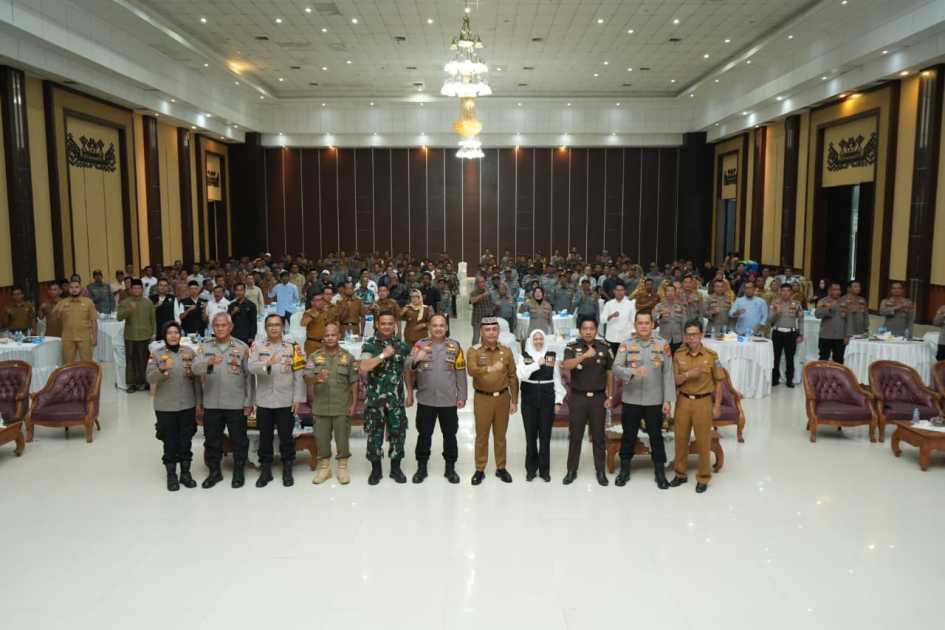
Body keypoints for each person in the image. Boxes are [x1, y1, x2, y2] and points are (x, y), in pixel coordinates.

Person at [612, 311, 675, 489]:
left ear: (653, 324)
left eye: (647, 323)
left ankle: (660, 473)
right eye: (640, 323)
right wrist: (632, 372)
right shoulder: (626, 344)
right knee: (628, 435)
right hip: (631, 399)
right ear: (635, 325)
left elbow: (668, 373)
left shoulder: (662, 345)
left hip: (654, 400)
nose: (644, 326)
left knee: (656, 436)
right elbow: (616, 368)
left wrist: (667, 400)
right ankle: (624, 470)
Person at [192, 312, 254, 489]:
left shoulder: (242, 347)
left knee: (239, 440)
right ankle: (214, 472)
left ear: (231, 327)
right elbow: (195, 370)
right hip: (212, 402)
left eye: (223, 325)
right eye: (217, 325)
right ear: (212, 327)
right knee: (212, 441)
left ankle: (238, 471)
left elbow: (249, 377)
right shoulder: (204, 347)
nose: (220, 328)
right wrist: (208, 362)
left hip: (236, 403)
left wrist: (249, 402)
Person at [404, 314, 467, 484]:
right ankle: (421, 467)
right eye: (435, 325)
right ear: (429, 327)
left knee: (450, 435)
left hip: (448, 400)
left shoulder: (455, 346)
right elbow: (407, 365)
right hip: (426, 400)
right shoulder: (420, 344)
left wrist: (462, 396)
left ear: (446, 327)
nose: (438, 328)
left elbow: (460, 372)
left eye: (441, 325)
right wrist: (416, 359)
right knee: (424, 435)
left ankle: (450, 468)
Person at [248, 314, 305, 488]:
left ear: (282, 327)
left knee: (286, 437)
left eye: (277, 325)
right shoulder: (257, 346)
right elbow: (251, 367)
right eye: (270, 325)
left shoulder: (293, 347)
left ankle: (287, 468)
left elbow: (299, 375)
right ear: (265, 328)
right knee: (265, 438)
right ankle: (266, 470)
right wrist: (267, 364)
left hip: (286, 400)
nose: (274, 328)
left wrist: (297, 399)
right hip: (264, 401)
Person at [146, 321, 201, 491]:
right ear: (164, 336)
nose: (173, 336)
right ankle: (171, 475)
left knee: (186, 440)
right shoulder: (156, 354)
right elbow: (149, 378)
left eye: (176, 332)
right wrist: (162, 369)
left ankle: (185, 473)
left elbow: (197, 379)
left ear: (180, 335)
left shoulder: (189, 352)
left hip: (187, 404)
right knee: (169, 441)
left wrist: (199, 402)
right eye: (169, 333)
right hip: (165, 406)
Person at [670, 320, 723, 494]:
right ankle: (680, 474)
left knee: (703, 441)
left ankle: (703, 477)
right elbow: (674, 381)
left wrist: (716, 406)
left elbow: (719, 382)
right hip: (683, 401)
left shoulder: (711, 355)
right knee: (680, 439)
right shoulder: (678, 354)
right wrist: (687, 375)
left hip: (703, 402)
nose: (691, 338)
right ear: (684, 336)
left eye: (695, 334)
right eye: (688, 335)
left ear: (701, 335)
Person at [359, 311, 412, 485]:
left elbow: (407, 369)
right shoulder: (369, 345)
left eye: (390, 323)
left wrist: (410, 392)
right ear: (377, 325)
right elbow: (364, 367)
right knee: (374, 433)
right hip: (375, 400)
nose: (387, 326)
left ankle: (396, 468)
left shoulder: (402, 345)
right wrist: (383, 355)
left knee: (398, 432)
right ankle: (376, 470)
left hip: (396, 399)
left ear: (394, 325)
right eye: (383, 323)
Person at [561, 317, 614, 486]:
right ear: (580, 330)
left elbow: (610, 373)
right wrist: (584, 356)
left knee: (598, 436)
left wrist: (610, 396)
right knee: (575, 436)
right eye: (585, 328)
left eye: (591, 328)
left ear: (596, 330)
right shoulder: (572, 347)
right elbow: (566, 365)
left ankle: (600, 471)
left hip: (598, 398)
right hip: (578, 398)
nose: (588, 331)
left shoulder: (604, 347)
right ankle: (571, 470)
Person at [304, 322, 359, 485]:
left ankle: (342, 467)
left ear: (339, 336)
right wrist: (316, 378)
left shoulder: (348, 357)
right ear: (323, 338)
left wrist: (354, 404)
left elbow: (354, 382)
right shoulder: (314, 357)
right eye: (327, 335)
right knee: (321, 439)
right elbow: (306, 378)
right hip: (321, 406)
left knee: (342, 438)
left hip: (342, 405)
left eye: (333, 335)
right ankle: (325, 468)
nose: (330, 338)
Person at [466, 317, 518, 485]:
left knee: (500, 436)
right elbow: (471, 370)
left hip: (503, 398)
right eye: (487, 330)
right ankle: (480, 469)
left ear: (498, 331)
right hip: (482, 398)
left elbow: (512, 376)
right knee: (481, 436)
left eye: (494, 329)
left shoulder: (506, 351)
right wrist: (489, 368)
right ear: (481, 332)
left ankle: (501, 467)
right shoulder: (474, 351)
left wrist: (514, 400)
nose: (491, 333)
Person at [516, 329, 564, 482]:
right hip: (529, 399)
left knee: (545, 436)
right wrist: (537, 364)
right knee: (530, 436)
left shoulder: (551, 356)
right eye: (535, 339)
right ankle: (531, 469)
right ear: (531, 340)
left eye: (541, 339)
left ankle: (544, 470)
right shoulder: (524, 356)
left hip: (547, 398)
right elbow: (522, 374)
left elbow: (557, 379)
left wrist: (558, 400)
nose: (538, 341)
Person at [117, 279, 156, 392]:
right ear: (131, 290)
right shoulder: (125, 302)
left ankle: (145, 382)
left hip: (145, 336)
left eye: (139, 288)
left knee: (145, 360)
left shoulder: (148, 302)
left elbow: (153, 320)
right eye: (134, 288)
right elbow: (119, 317)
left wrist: (154, 334)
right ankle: (131, 384)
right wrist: (128, 310)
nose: (137, 290)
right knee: (131, 361)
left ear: (142, 290)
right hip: (130, 336)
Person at [767, 283, 803, 387]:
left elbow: (801, 320)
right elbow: (770, 319)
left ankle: (789, 380)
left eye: (788, 291)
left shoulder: (797, 304)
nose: (785, 293)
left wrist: (801, 334)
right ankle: (774, 379)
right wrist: (776, 312)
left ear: (791, 292)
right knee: (775, 357)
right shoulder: (775, 303)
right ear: (780, 292)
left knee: (790, 358)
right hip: (777, 333)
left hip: (791, 334)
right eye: (783, 290)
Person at [57, 279, 98, 363]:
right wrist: (60, 311)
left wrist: (94, 337)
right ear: (68, 289)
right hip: (68, 337)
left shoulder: (88, 302)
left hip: (84, 337)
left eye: (76, 287)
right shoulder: (62, 302)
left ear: (81, 288)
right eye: (71, 287)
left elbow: (93, 321)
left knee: (87, 363)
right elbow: (57, 318)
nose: (74, 289)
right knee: (67, 364)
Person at [600, 282, 635, 356]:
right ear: (614, 291)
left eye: (621, 290)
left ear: (625, 291)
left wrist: (633, 333)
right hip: (611, 337)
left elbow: (634, 320)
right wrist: (611, 316)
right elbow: (602, 320)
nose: (619, 292)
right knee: (611, 359)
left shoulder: (630, 304)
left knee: (624, 359)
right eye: (617, 290)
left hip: (625, 338)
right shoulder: (609, 304)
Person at [815, 282, 846, 363]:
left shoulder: (844, 302)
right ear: (829, 291)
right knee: (823, 359)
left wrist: (847, 335)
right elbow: (817, 314)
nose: (837, 292)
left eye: (839, 290)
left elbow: (849, 320)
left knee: (839, 360)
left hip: (840, 336)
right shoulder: (822, 301)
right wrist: (829, 308)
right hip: (826, 335)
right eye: (835, 290)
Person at [654, 284, 686, 355]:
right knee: (664, 359)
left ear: (675, 293)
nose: (670, 293)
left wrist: (684, 340)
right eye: (668, 291)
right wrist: (661, 315)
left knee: (676, 359)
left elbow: (684, 324)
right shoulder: (659, 306)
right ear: (665, 293)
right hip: (664, 339)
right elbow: (654, 318)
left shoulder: (680, 307)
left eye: (672, 291)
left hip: (677, 339)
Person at [469, 276, 495, 345]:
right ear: (476, 284)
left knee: (485, 338)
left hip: (487, 319)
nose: (482, 284)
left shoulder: (488, 292)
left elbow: (492, 304)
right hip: (477, 319)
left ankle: (483, 350)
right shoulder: (473, 292)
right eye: (480, 282)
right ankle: (474, 350)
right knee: (476, 338)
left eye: (483, 282)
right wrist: (483, 295)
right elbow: (472, 301)